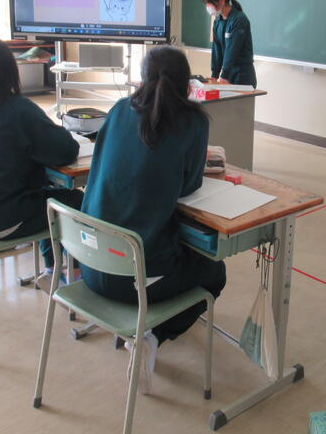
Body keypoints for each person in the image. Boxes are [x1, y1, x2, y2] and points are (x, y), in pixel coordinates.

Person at [79, 45, 226, 392]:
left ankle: (148, 325)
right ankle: (154, 333)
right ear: (187, 85)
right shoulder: (193, 121)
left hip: (90, 264)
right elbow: (189, 185)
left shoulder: (118, 110)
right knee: (214, 272)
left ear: (141, 79)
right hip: (136, 280)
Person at [0, 35, 82, 285]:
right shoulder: (18, 110)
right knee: (75, 201)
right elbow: (66, 151)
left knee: (48, 195)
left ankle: (52, 269)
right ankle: (73, 276)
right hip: (3, 221)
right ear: (9, 70)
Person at [202, 0, 257, 87]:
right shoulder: (218, 21)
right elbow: (217, 49)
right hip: (228, 74)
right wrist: (215, 75)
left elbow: (232, 50)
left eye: (209, 4)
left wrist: (224, 76)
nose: (208, 7)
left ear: (221, 1)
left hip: (242, 76)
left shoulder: (239, 20)